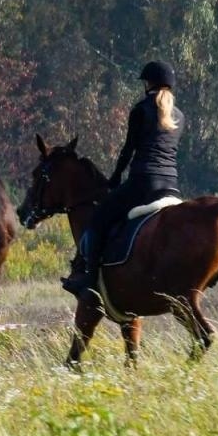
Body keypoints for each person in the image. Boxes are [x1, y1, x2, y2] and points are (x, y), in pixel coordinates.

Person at [61, 61, 185, 296]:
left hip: (143, 183)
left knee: (98, 218)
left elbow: (129, 150)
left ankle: (89, 277)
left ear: (148, 84)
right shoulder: (179, 116)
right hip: (171, 186)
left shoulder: (141, 110)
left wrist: (114, 179)